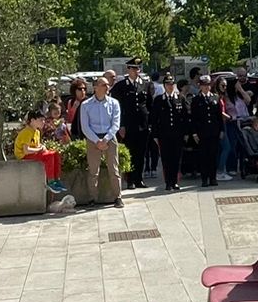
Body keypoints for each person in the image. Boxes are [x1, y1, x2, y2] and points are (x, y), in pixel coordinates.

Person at [76, 74, 123, 207]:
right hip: (93, 138)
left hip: (110, 137)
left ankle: (118, 197)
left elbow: (116, 124)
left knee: (113, 169)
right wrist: (97, 141)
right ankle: (92, 198)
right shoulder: (86, 105)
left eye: (108, 85)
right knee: (93, 170)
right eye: (103, 85)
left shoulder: (114, 103)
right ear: (96, 87)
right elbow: (85, 126)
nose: (107, 87)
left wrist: (106, 139)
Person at [113, 59, 150, 190]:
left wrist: (149, 123)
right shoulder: (121, 86)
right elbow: (118, 108)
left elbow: (148, 104)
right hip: (128, 125)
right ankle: (130, 180)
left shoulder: (145, 84)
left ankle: (139, 178)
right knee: (130, 152)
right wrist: (121, 125)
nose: (136, 71)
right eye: (133, 68)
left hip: (142, 124)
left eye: (138, 68)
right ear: (128, 69)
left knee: (141, 153)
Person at [150, 76, 185, 192]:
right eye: (168, 84)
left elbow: (185, 117)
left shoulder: (180, 98)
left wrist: (185, 133)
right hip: (164, 135)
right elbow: (154, 119)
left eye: (172, 84)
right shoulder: (159, 100)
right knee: (166, 159)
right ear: (164, 86)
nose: (170, 86)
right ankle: (168, 182)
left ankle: (175, 181)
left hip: (177, 134)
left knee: (176, 159)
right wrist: (155, 135)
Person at [190, 75, 224, 188]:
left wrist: (221, 130)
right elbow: (193, 118)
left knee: (213, 156)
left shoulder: (215, 98)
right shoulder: (196, 100)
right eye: (204, 85)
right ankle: (204, 179)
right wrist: (194, 133)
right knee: (204, 156)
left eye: (208, 85)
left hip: (213, 132)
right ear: (200, 86)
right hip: (202, 133)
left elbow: (219, 116)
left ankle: (213, 178)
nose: (206, 87)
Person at [14, 107, 62, 184]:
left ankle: (57, 179)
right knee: (49, 156)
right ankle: (51, 181)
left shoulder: (37, 132)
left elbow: (36, 145)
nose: (43, 122)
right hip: (24, 156)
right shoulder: (27, 132)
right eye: (41, 120)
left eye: (44, 120)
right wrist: (40, 149)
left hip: (32, 154)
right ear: (32, 120)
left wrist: (42, 147)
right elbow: (26, 150)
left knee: (55, 154)